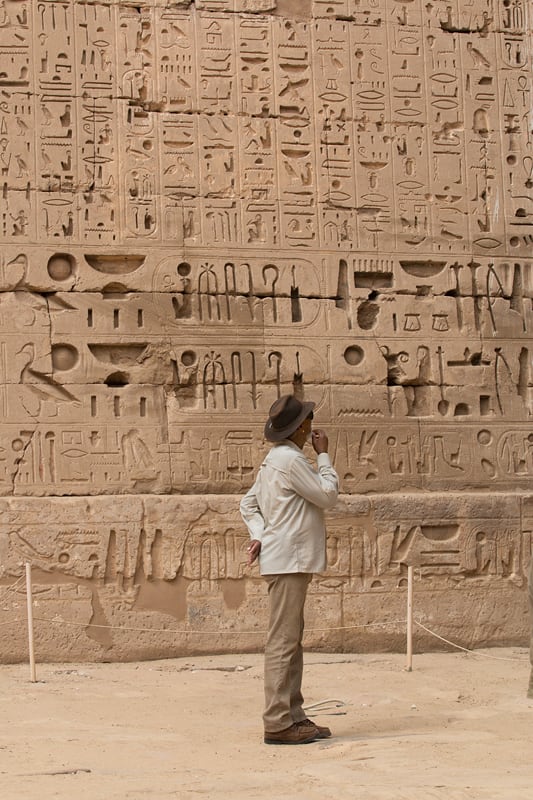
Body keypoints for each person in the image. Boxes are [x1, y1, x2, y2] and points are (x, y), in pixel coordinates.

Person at [240, 394, 339, 744]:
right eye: (308, 421)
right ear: (299, 429)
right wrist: (323, 455)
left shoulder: (275, 459)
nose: (312, 427)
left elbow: (248, 504)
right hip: (290, 559)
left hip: (285, 557)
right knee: (284, 641)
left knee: (291, 640)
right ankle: (278, 721)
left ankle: (293, 715)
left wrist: (259, 534)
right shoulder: (291, 460)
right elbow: (327, 495)